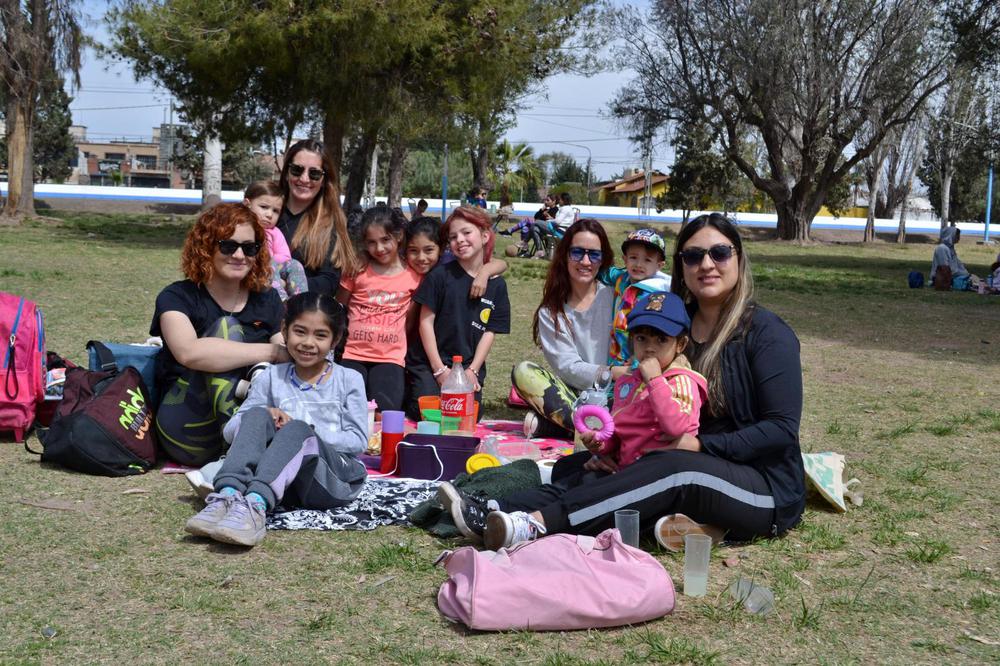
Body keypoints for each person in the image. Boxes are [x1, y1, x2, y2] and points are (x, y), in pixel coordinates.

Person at [440, 212, 805, 553]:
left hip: (762, 487)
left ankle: (533, 525)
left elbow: (780, 430)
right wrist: (618, 449)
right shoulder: (671, 328)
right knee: (583, 466)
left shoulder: (767, 334)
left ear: (739, 258)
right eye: (693, 256)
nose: (706, 265)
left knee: (673, 470)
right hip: (681, 460)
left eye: (719, 253)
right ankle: (493, 509)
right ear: (681, 266)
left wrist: (700, 446)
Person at [184, 292, 367, 547]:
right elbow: (231, 432)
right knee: (256, 413)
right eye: (300, 332)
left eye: (320, 335)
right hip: (282, 480)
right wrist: (267, 414)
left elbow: (358, 441)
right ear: (285, 330)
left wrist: (304, 430)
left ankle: (255, 507)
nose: (308, 342)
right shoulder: (271, 376)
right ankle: (227, 496)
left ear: (335, 339)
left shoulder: (349, 379)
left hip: (331, 481)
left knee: (297, 430)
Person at [151, 203, 286, 466]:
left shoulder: (267, 299)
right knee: (227, 328)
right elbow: (189, 352)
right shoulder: (176, 297)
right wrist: (271, 352)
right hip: (186, 428)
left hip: (253, 419)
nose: (239, 255)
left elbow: (288, 356)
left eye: (249, 248)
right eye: (228, 246)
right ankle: (243, 452)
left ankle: (251, 447)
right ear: (206, 247)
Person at [511, 218, 615, 436]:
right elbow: (568, 367)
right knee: (524, 372)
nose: (585, 261)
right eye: (577, 253)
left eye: (594, 254)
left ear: (603, 259)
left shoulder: (617, 296)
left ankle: (570, 428)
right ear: (565, 255)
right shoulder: (551, 312)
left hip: (619, 393)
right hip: (575, 395)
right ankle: (597, 429)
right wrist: (609, 373)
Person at [407, 206, 511, 419]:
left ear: (484, 236)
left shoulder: (497, 285)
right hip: (431, 362)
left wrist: (472, 370)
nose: (460, 240)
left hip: (466, 365)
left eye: (466, 232)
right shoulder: (439, 276)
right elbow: (425, 323)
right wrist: (439, 371)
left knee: (467, 415)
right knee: (427, 412)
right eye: (453, 237)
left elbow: (489, 332)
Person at [583, 292, 707, 468]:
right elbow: (621, 432)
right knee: (568, 472)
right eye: (641, 339)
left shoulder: (682, 381)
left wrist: (655, 381)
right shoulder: (627, 382)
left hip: (663, 471)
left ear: (681, 344)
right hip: (627, 468)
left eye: (661, 340)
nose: (650, 348)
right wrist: (601, 444)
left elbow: (676, 427)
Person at [337, 207, 421, 412]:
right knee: (347, 408)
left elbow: (409, 322)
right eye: (372, 242)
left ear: (399, 236)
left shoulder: (414, 276)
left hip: (389, 357)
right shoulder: (356, 269)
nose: (379, 248)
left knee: (386, 411)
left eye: (385, 240)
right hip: (353, 354)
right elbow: (339, 306)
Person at [276, 139, 357, 295]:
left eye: (314, 173)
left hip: (301, 312)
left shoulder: (331, 225)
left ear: (324, 180)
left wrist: (283, 285)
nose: (304, 179)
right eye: (297, 170)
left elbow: (329, 281)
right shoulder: (264, 213)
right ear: (286, 173)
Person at [602, 228, 672, 370]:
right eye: (633, 257)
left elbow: (653, 334)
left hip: (636, 362)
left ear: (659, 266)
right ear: (625, 259)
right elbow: (605, 273)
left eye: (647, 260)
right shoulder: (622, 278)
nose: (639, 264)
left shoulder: (656, 296)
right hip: (615, 355)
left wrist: (637, 361)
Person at [243, 180, 307, 301]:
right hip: (251, 267)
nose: (269, 214)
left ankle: (300, 301)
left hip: (272, 269)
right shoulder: (241, 228)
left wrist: (271, 259)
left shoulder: (274, 232)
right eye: (264, 207)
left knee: (295, 264)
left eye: (275, 211)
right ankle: (281, 301)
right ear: (247, 204)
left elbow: (285, 256)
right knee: (267, 263)